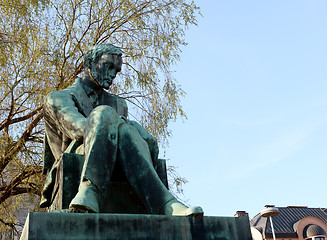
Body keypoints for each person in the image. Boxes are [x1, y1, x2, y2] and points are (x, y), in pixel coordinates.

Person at [40, 44, 203, 216]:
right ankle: (94, 190)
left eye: (116, 70)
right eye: (108, 66)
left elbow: (121, 137)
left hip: (115, 160)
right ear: (88, 63)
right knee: (109, 117)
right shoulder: (57, 98)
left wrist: (133, 129)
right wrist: (118, 121)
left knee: (125, 133)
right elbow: (79, 130)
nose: (112, 74)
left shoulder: (118, 103)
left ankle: (164, 202)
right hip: (77, 156)